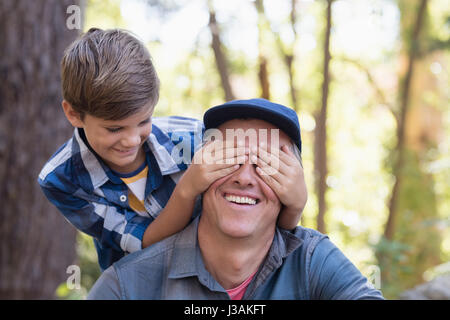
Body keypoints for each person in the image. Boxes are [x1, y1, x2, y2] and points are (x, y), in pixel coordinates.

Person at [37, 29, 304, 271]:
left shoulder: (191, 138)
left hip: (213, 275)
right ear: (73, 114)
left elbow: (260, 214)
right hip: (137, 282)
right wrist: (188, 188)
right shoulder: (61, 179)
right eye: (114, 129)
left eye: (143, 122)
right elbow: (141, 242)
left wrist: (296, 203)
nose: (131, 140)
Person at [87, 99, 384, 300]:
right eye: (228, 159)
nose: (244, 177)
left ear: (293, 185)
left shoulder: (312, 262)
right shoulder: (127, 286)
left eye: (267, 163)